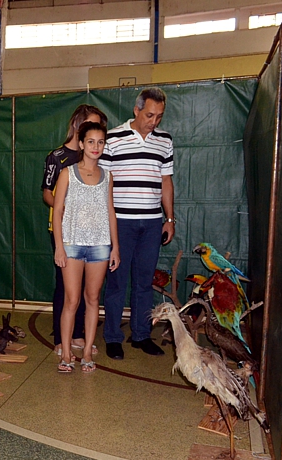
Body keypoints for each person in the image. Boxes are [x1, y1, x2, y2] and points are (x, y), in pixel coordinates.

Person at [98, 87, 175, 360]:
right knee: (117, 282)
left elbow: (166, 181)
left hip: (152, 223)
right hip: (121, 223)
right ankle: (113, 337)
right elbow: (104, 184)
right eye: (150, 115)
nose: (154, 121)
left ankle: (141, 334)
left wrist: (169, 219)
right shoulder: (113, 139)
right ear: (136, 110)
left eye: (159, 116)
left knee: (144, 282)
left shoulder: (164, 141)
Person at [41, 105, 108, 359]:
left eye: (100, 132)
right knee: (66, 287)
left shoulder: (97, 158)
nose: (95, 139)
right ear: (78, 128)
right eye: (90, 127)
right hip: (64, 233)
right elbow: (47, 193)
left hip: (92, 236)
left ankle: (79, 334)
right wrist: (68, 208)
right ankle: (61, 339)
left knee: (88, 291)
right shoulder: (57, 158)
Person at [53, 121, 119, 373]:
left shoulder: (107, 176)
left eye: (100, 142)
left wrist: (115, 248)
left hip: (100, 246)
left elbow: (110, 212)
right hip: (72, 245)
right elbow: (58, 210)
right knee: (71, 300)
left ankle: (88, 352)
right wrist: (59, 247)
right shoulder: (67, 173)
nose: (96, 146)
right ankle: (67, 353)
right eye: (91, 141)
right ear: (81, 143)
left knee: (92, 299)